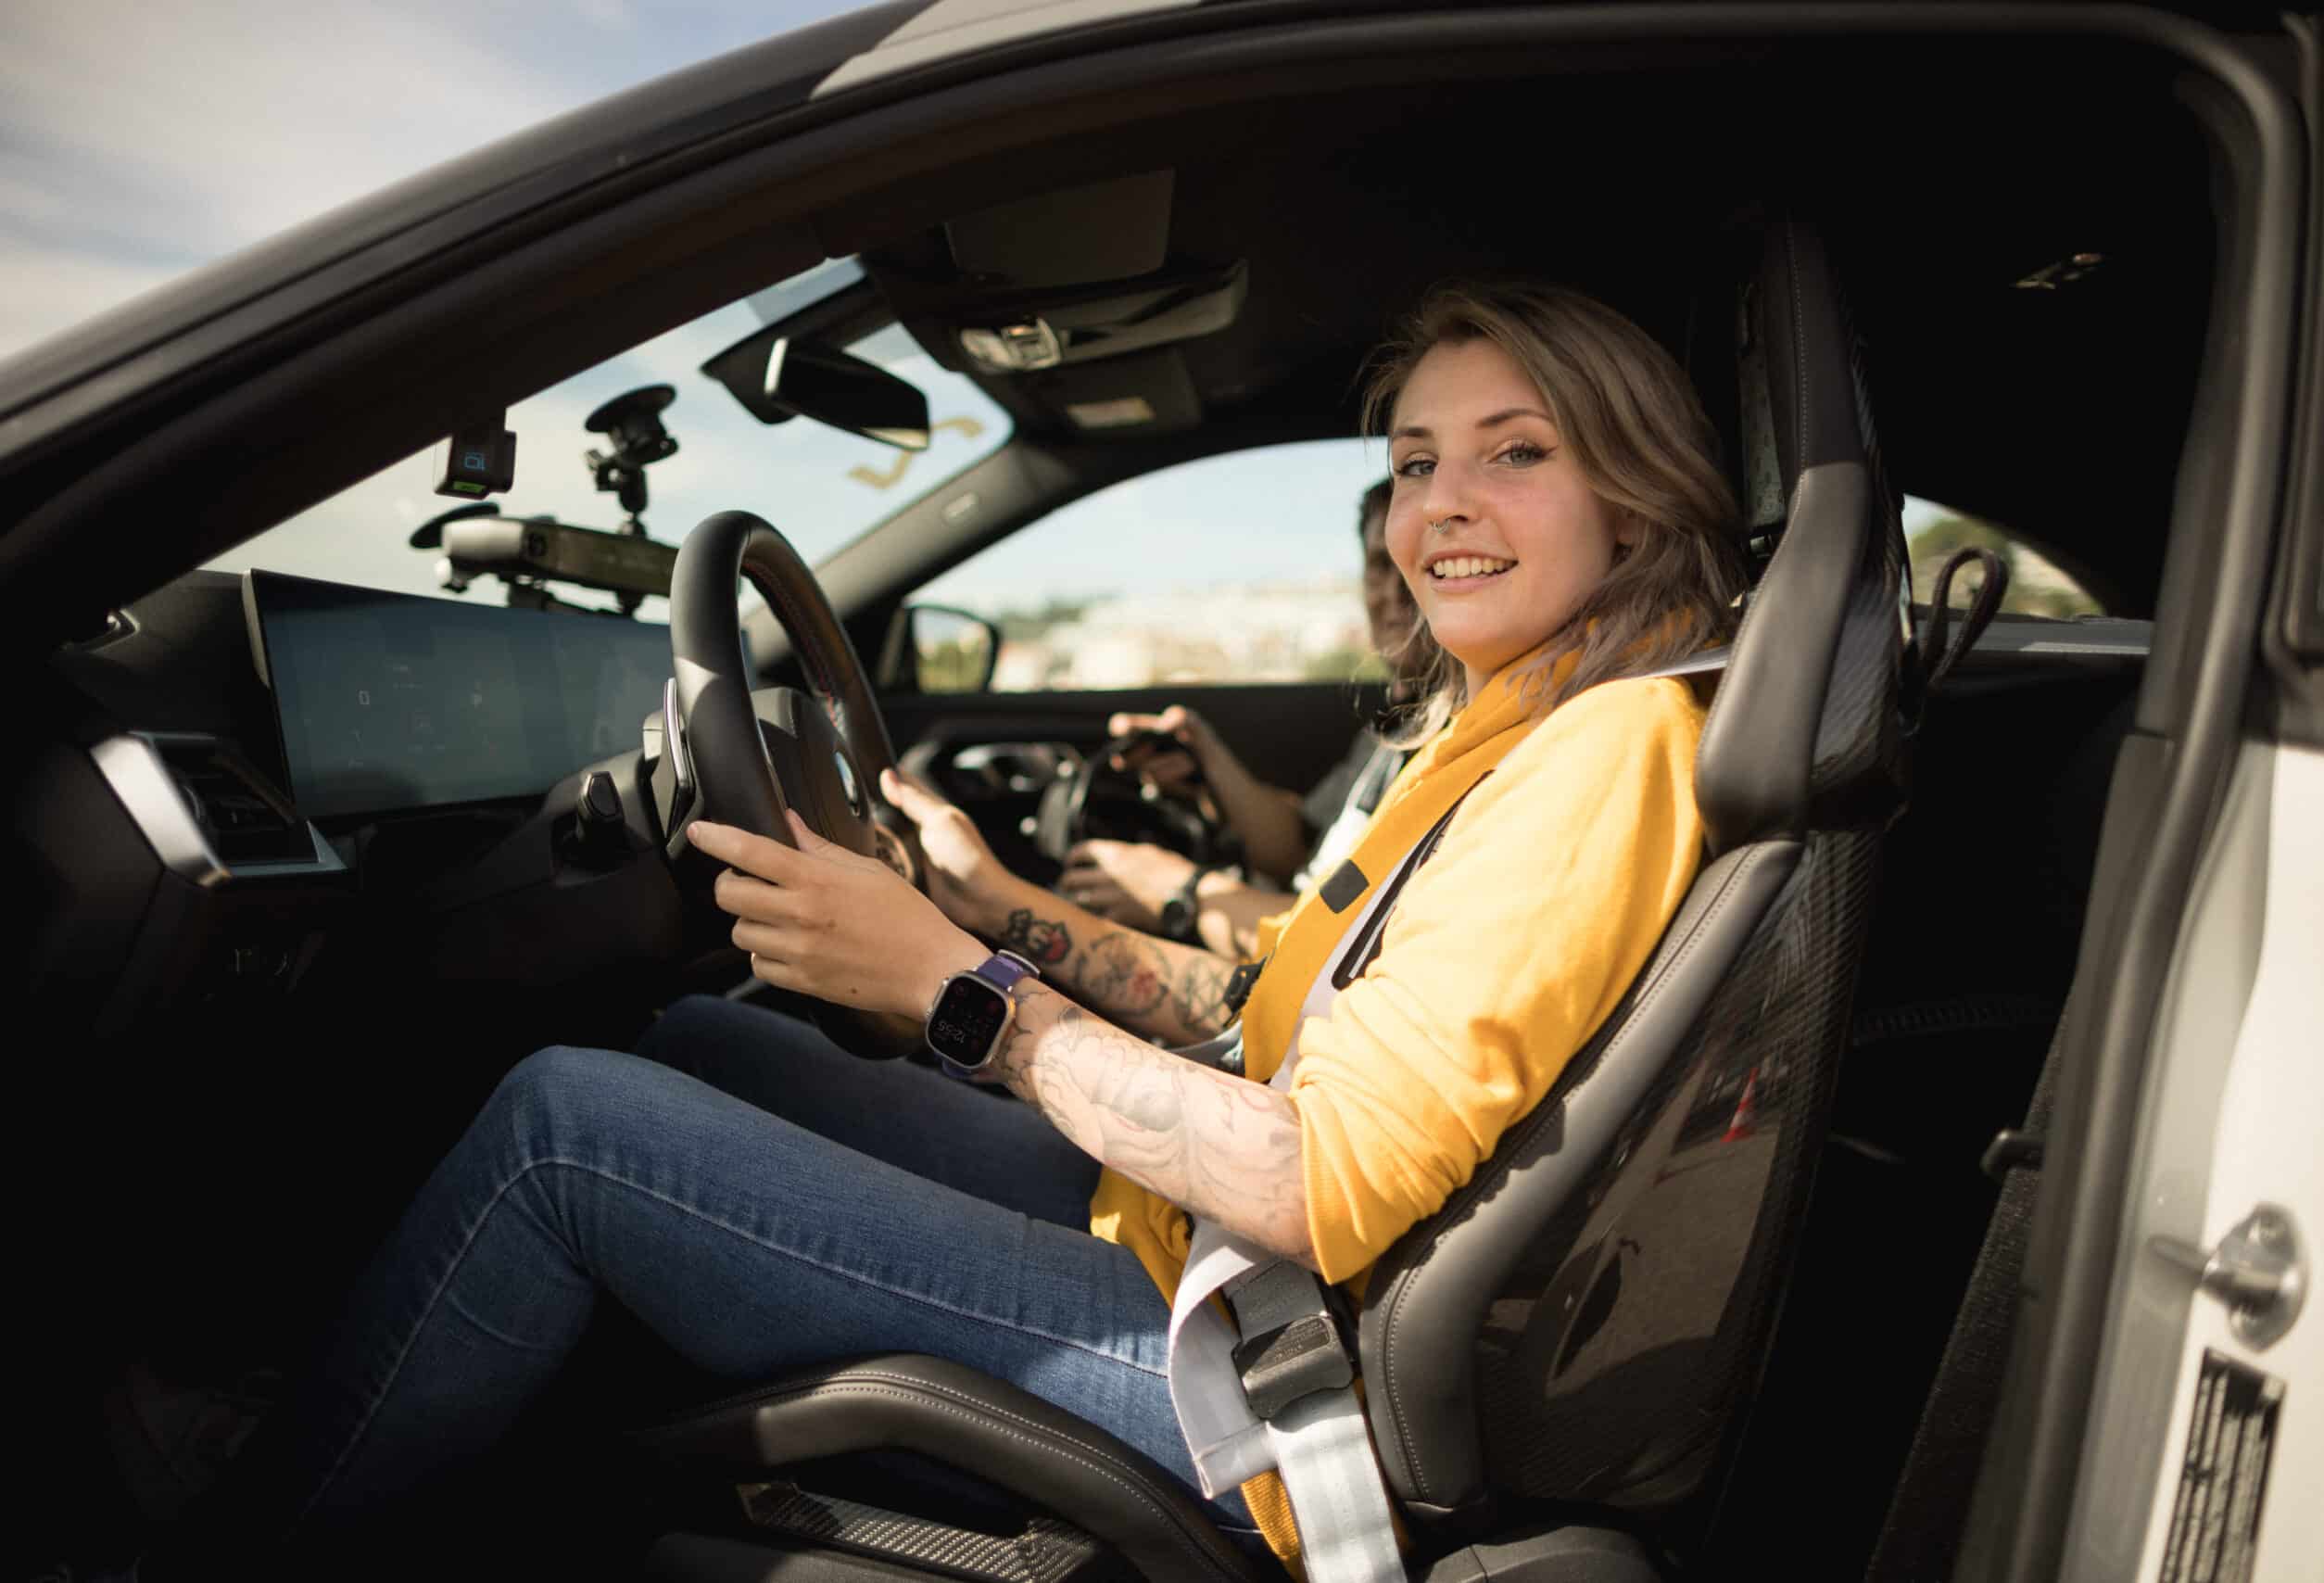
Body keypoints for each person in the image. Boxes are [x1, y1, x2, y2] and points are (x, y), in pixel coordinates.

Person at [128, 280, 1747, 1580]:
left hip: (1261, 1378)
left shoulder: (1603, 749)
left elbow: (1313, 1182)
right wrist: (984, 914)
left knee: (571, 1128)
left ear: (1635, 485)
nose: (1440, 507)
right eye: (1411, 462)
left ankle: (257, 1518)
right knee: (699, 1035)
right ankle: (405, 1393)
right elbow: (1257, 1009)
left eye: (1514, 452)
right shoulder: (1505, 731)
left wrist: (961, 990)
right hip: (1208, 1254)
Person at [1055, 478, 1431, 960]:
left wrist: (1179, 892)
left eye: (1419, 562)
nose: (1397, 591)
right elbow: (1299, 847)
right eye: (1382, 564)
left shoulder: (1459, 741)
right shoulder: (1396, 727)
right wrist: (1209, 759)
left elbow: (1353, 946)